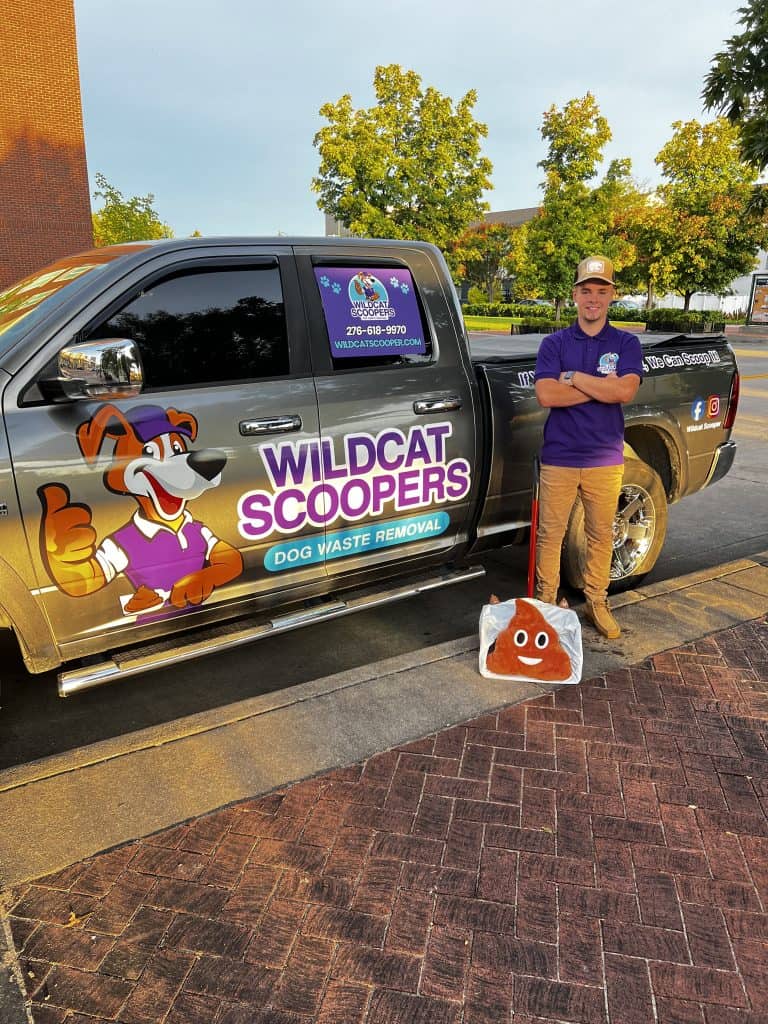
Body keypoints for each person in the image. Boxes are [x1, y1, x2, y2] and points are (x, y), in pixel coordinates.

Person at [533, 256, 643, 639]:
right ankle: (545, 605)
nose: (593, 298)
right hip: (560, 456)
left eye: (601, 290)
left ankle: (597, 599)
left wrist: (575, 378)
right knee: (550, 534)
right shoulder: (555, 343)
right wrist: (601, 388)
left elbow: (625, 391)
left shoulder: (626, 342)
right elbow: (547, 395)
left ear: (612, 295)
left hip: (605, 458)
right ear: (575, 295)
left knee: (600, 534)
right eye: (586, 290)